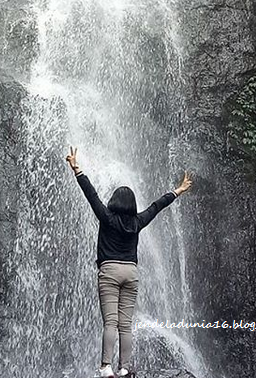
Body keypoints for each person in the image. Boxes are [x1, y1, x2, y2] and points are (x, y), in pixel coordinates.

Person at [65, 146, 193, 378]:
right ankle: (124, 368)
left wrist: (77, 168)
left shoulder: (106, 217)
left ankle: (106, 367)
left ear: (114, 201)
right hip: (131, 273)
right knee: (126, 324)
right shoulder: (138, 221)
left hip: (110, 271)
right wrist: (178, 190)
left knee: (110, 323)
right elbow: (157, 206)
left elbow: (90, 194)